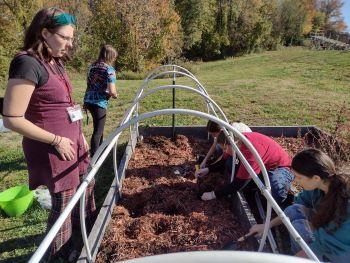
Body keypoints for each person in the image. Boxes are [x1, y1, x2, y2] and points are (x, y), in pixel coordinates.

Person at [2, 7, 95, 261]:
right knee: (64, 204)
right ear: (44, 33)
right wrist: (56, 140)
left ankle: (85, 239)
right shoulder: (27, 63)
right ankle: (57, 255)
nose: (70, 44)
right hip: (53, 149)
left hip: (72, 143)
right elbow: (11, 119)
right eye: (65, 38)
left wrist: (79, 135)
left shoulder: (54, 61)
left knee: (86, 189)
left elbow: (63, 105)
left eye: (71, 38)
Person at [248, 149, 350, 262]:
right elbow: (294, 210)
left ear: (316, 178)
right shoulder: (317, 187)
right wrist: (266, 226)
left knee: (299, 227)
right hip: (326, 239)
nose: (295, 180)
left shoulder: (345, 206)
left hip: (340, 254)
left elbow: (321, 248)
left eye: (299, 177)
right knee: (295, 210)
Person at [195, 130, 294, 204]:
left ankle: (284, 204)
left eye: (225, 148)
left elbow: (239, 184)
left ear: (234, 144)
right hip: (262, 165)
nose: (224, 151)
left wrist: (213, 194)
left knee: (275, 190)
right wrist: (208, 169)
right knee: (229, 163)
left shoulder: (251, 152)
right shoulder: (235, 142)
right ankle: (254, 186)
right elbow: (223, 161)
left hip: (279, 167)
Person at [83, 44, 118, 156]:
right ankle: (94, 157)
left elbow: (88, 85)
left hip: (89, 101)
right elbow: (112, 91)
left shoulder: (92, 67)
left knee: (99, 128)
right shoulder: (109, 70)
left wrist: (85, 101)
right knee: (98, 131)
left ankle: (100, 151)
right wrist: (115, 95)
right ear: (110, 56)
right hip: (99, 103)